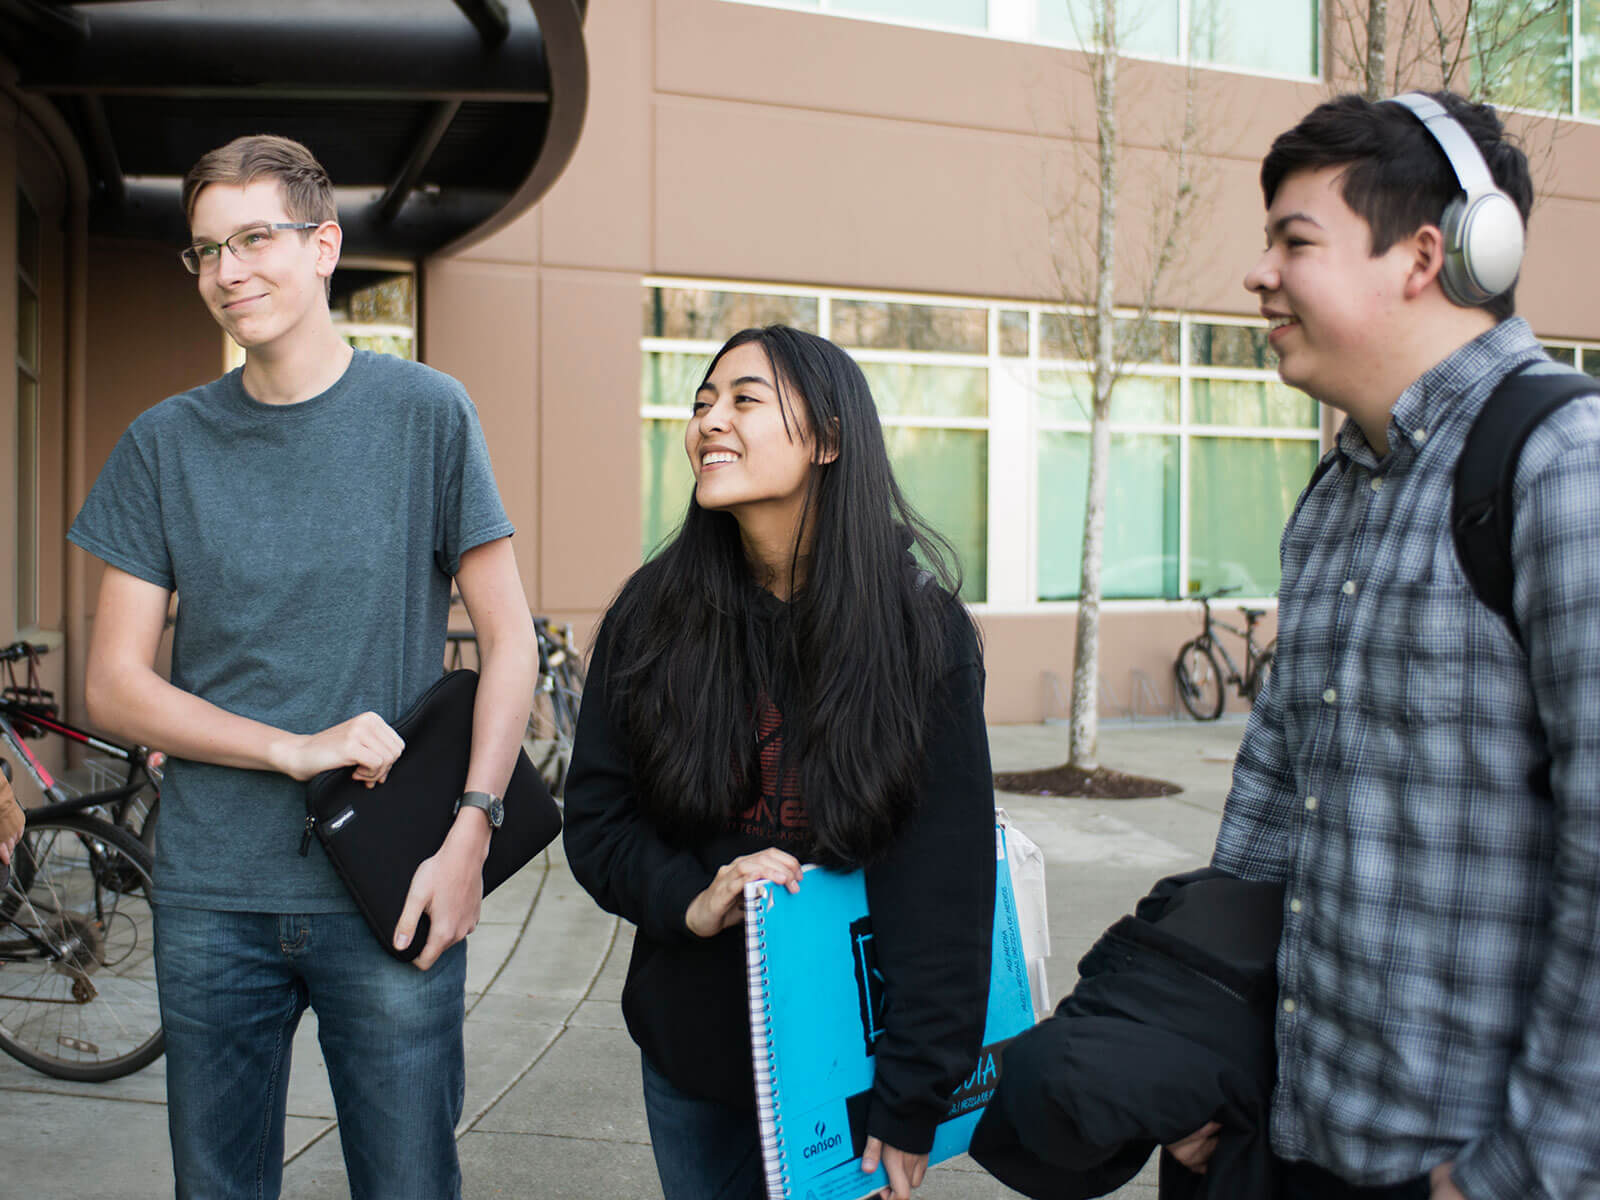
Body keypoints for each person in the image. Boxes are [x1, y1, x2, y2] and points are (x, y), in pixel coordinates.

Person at [65, 135, 537, 1200]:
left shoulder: (428, 415)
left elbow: (510, 641)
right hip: (211, 895)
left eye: (254, 239)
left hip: (391, 887)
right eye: (204, 252)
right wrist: (293, 748)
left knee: (409, 1183)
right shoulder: (163, 444)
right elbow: (115, 684)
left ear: (324, 247)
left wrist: (472, 833)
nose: (228, 273)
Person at [1183, 91, 1600, 1198]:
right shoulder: (1335, 492)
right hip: (1285, 1136)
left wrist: (1520, 1174)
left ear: (1426, 255)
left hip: (1463, 1173)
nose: (1258, 273)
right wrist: (1202, 1058)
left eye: (1293, 240)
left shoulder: (1566, 467)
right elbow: (1271, 804)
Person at [562, 325, 996, 1200]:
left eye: (745, 399)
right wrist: (694, 895)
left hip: (849, 1070)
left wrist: (912, 1100)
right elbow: (598, 822)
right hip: (693, 1053)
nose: (710, 421)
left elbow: (946, 891)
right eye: (701, 403)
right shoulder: (652, 616)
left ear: (829, 439)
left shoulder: (918, 632)